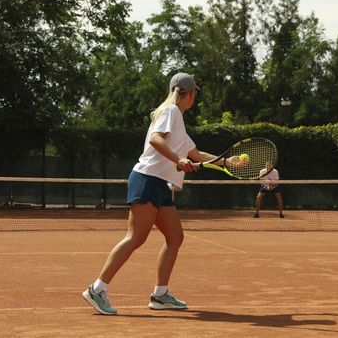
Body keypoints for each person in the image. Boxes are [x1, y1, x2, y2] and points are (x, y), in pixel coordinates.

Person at [82, 72, 241, 315]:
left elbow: (197, 155)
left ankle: (160, 295)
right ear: (188, 93)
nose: (195, 97)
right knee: (136, 237)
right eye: (194, 92)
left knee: (175, 236)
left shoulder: (178, 121)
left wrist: (227, 162)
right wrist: (178, 159)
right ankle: (97, 288)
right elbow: (156, 140)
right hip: (147, 180)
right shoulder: (170, 112)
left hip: (161, 184)